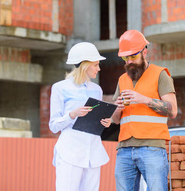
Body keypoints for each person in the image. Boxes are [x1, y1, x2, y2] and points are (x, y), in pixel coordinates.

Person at [111, 30, 178, 191]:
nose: (129, 61)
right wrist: (117, 108)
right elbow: (115, 119)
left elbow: (172, 110)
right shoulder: (122, 79)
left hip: (152, 147)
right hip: (125, 149)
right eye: (125, 58)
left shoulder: (160, 75)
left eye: (133, 56)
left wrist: (144, 99)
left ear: (145, 52)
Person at [49, 42, 112, 191]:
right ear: (85, 65)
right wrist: (72, 114)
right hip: (70, 151)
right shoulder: (60, 88)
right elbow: (53, 126)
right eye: (95, 65)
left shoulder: (97, 90)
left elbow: (96, 119)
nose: (99, 68)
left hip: (93, 152)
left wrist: (105, 122)